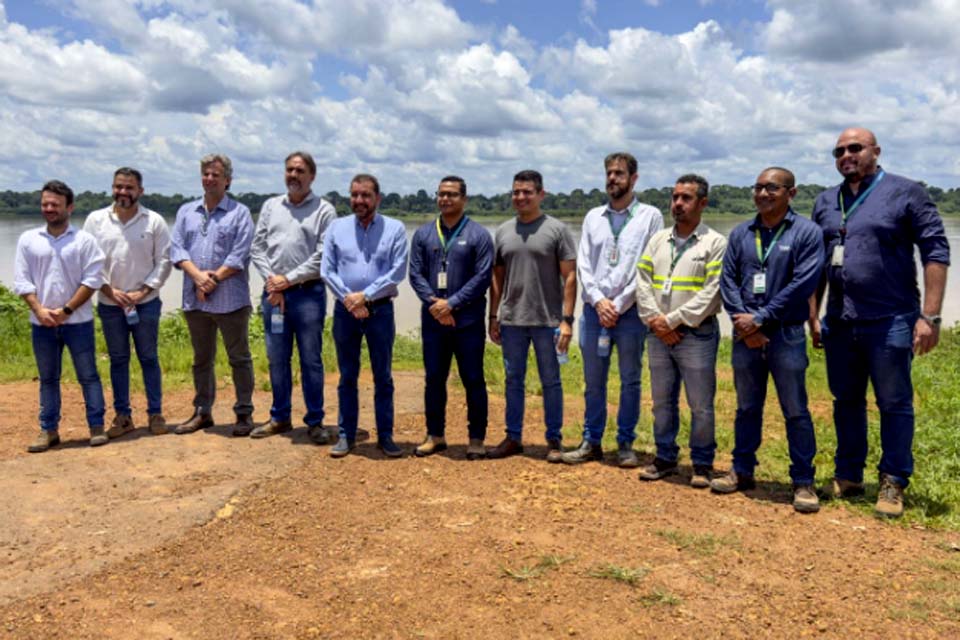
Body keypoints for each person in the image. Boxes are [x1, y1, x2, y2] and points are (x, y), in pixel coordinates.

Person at [811, 127, 950, 518]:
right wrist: (813, 314)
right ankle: (849, 474)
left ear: (876, 151)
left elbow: (935, 251)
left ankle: (893, 481)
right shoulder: (825, 200)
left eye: (855, 148)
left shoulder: (907, 192)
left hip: (891, 318)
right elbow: (818, 264)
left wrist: (931, 316)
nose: (846, 155)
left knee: (894, 402)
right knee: (846, 400)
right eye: (839, 150)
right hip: (839, 320)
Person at [714, 167, 824, 514]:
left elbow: (803, 285)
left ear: (791, 193)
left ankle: (803, 481)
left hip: (786, 334)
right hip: (745, 336)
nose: (763, 194)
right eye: (758, 187)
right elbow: (727, 280)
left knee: (795, 410)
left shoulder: (807, 232)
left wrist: (761, 318)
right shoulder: (741, 233)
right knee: (747, 408)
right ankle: (742, 470)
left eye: (771, 188)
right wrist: (745, 324)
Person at [562, 153, 662, 468]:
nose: (612, 179)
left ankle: (625, 443)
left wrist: (618, 304)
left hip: (631, 314)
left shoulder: (650, 216)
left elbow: (648, 267)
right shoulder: (593, 217)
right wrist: (599, 300)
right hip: (594, 312)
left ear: (634, 178)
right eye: (609, 173)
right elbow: (584, 264)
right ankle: (591, 441)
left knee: (630, 379)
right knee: (593, 381)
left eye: (619, 173)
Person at [635, 174, 726, 487]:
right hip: (658, 335)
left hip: (696, 335)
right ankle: (665, 456)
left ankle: (701, 463)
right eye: (675, 197)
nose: (677, 204)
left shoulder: (714, 243)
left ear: (702, 203)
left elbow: (713, 292)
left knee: (700, 404)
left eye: (686, 198)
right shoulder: (658, 240)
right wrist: (657, 322)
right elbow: (642, 281)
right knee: (661, 401)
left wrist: (672, 321)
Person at [488, 170, 577, 462]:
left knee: (550, 381)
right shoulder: (502, 231)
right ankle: (513, 437)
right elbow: (497, 277)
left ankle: (554, 439)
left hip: (548, 321)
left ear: (541, 194)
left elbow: (570, 277)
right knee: (513, 380)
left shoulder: (557, 230)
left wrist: (567, 320)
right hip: (512, 320)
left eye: (527, 192)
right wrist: (493, 316)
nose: (520, 197)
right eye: (516, 192)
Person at [249, 152, 337, 444]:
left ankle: (314, 421)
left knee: (311, 358)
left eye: (300, 171)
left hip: (307, 295)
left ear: (312, 176)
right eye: (289, 170)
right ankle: (279, 417)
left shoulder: (325, 210)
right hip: (273, 296)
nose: (293, 175)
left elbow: (323, 255)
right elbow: (257, 248)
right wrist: (273, 283)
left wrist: (288, 280)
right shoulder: (271, 206)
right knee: (277, 358)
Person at [14, 180, 107, 452]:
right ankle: (49, 430)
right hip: (41, 323)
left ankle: (97, 427)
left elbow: (92, 280)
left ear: (70, 207)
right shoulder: (28, 240)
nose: (49, 208)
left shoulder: (85, 241)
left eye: (55, 204)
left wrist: (66, 310)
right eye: (45, 204)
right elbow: (22, 281)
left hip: (78, 322)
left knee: (88, 375)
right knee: (48, 378)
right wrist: (39, 310)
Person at [320, 174, 408, 458]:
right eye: (355, 195)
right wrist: (350, 298)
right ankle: (346, 435)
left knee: (383, 376)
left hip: (380, 311)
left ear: (377, 198)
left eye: (366, 195)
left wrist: (365, 296)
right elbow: (327, 270)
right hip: (346, 312)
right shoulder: (337, 228)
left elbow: (397, 272)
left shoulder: (394, 229)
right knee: (347, 376)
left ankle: (385, 436)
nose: (359, 201)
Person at [169, 154, 256, 437]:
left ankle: (244, 413)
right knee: (201, 359)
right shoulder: (186, 212)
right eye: (206, 173)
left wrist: (214, 278)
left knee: (239, 358)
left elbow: (240, 253)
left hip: (230, 299)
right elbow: (177, 249)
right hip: (196, 300)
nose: (209, 179)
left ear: (227, 180)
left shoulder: (239, 213)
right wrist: (197, 277)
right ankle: (202, 412)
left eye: (215, 174)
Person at [408, 176, 493, 459]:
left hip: (467, 323)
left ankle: (476, 439)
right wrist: (436, 305)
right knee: (434, 379)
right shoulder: (423, 234)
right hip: (434, 322)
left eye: (452, 195)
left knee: (473, 380)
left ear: (464, 199)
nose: (445, 199)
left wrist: (452, 304)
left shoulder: (479, 235)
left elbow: (482, 278)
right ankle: (435, 435)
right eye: (441, 194)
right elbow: (415, 274)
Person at [83, 167, 172, 438]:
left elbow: (165, 261)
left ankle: (155, 413)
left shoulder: (154, 221)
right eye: (118, 187)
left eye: (129, 187)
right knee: (118, 360)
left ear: (140, 191)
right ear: (112, 188)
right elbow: (87, 262)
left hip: (145, 303)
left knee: (148, 357)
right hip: (111, 304)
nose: (123, 192)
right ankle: (123, 417)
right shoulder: (95, 220)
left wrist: (142, 291)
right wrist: (109, 290)